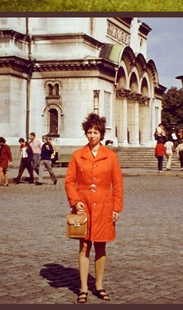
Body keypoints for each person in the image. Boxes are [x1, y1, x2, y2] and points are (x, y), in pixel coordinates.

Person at [66, 113, 123, 303]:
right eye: (89, 132)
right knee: (83, 246)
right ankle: (83, 288)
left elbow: (118, 184)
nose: (92, 136)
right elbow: (69, 182)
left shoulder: (111, 156)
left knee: (101, 245)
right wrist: (75, 202)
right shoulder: (77, 155)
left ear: (101, 134)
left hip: (104, 205)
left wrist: (116, 208)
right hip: (84, 206)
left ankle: (99, 285)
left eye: (95, 132)